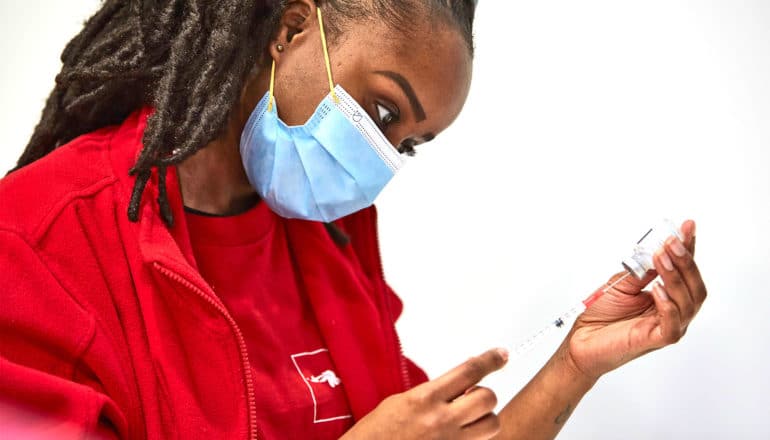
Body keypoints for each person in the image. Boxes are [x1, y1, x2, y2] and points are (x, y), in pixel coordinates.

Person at [0, 0, 707, 439]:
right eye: (381, 111)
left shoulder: (330, 238)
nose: (379, 161)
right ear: (291, 28)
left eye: (407, 144)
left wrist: (576, 363)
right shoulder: (37, 242)